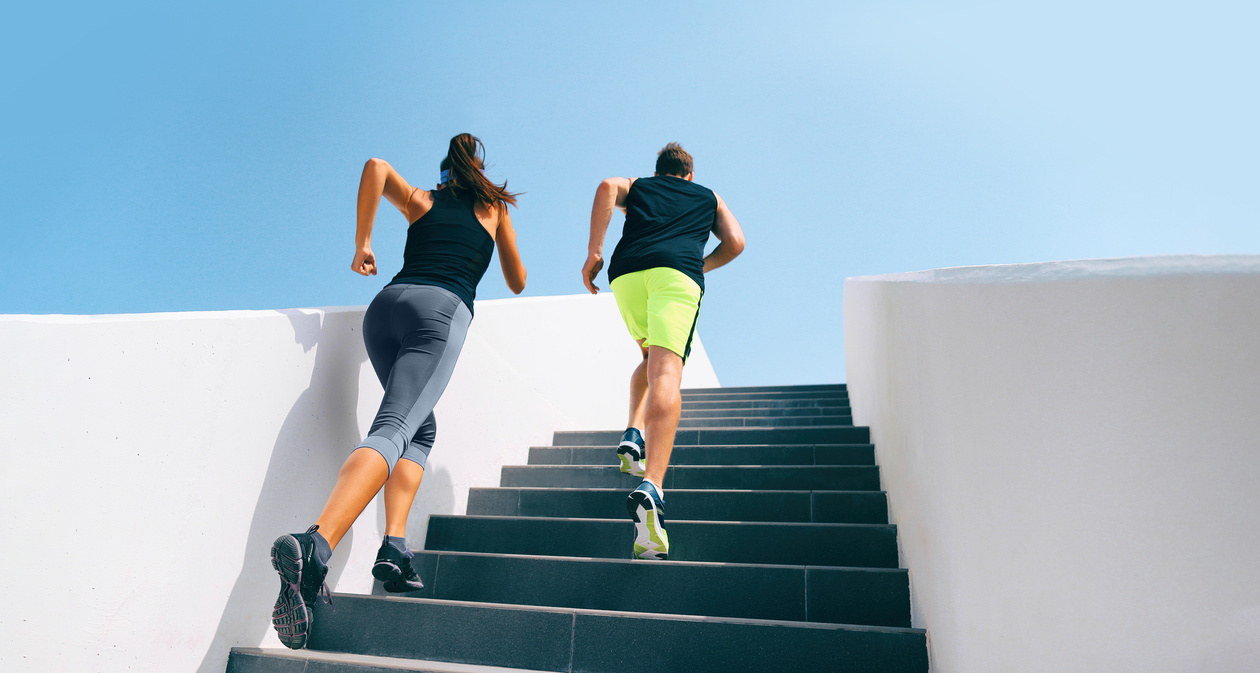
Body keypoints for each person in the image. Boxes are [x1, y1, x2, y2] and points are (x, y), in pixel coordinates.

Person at [270, 133, 526, 649]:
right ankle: (314, 545)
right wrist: (496, 229)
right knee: (394, 428)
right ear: (477, 172)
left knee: (420, 429)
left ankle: (394, 546)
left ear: (444, 173)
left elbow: (375, 165)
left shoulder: (421, 200)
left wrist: (364, 243)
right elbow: (517, 279)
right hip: (440, 308)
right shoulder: (493, 206)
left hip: (384, 308)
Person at [581, 142, 745, 560]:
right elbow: (737, 242)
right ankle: (653, 485)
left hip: (627, 275)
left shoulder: (639, 186)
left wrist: (594, 253)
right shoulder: (708, 195)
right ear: (689, 174)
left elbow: (605, 185)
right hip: (676, 275)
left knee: (649, 357)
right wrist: (698, 264)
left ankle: (633, 432)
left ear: (659, 171)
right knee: (667, 373)